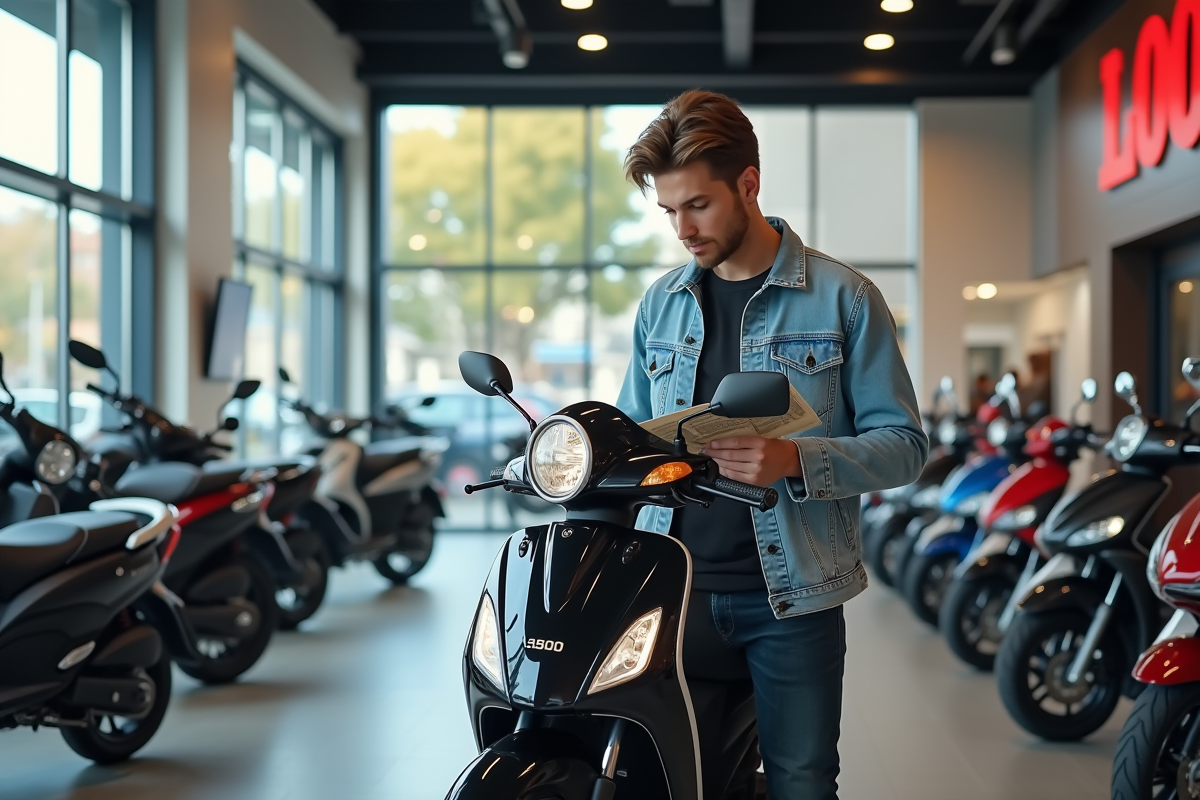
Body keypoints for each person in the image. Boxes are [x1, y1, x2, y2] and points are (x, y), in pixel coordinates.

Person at [616, 90, 928, 800]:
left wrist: (799, 459)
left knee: (802, 784)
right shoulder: (660, 303)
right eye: (668, 211)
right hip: (674, 593)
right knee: (676, 782)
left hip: (792, 603)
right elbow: (632, 437)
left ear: (748, 184)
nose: (681, 229)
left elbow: (906, 446)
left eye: (696, 205)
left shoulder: (842, 298)